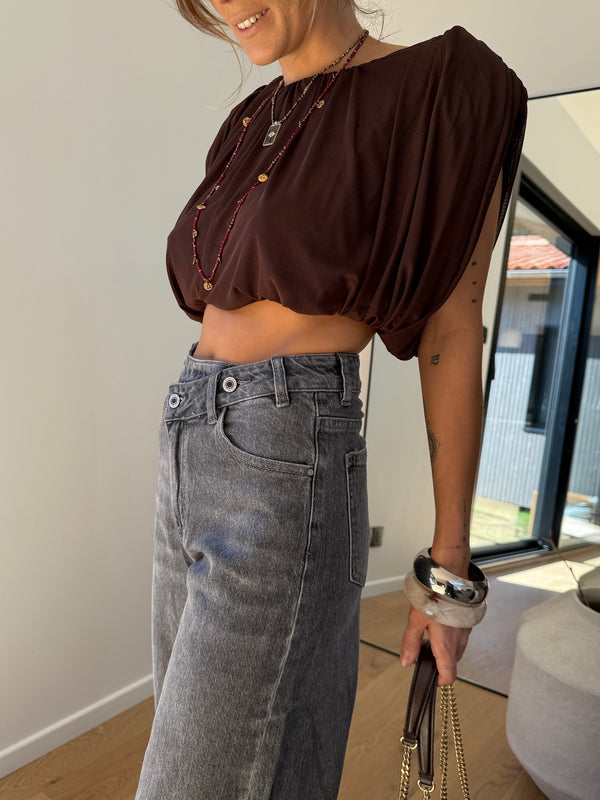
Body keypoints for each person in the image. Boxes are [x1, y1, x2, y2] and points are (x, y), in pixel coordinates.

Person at [135, 1, 528, 798]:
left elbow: (453, 328)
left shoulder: (444, 86)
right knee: (263, 771)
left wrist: (449, 564)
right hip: (188, 440)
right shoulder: (250, 119)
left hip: (283, 450)